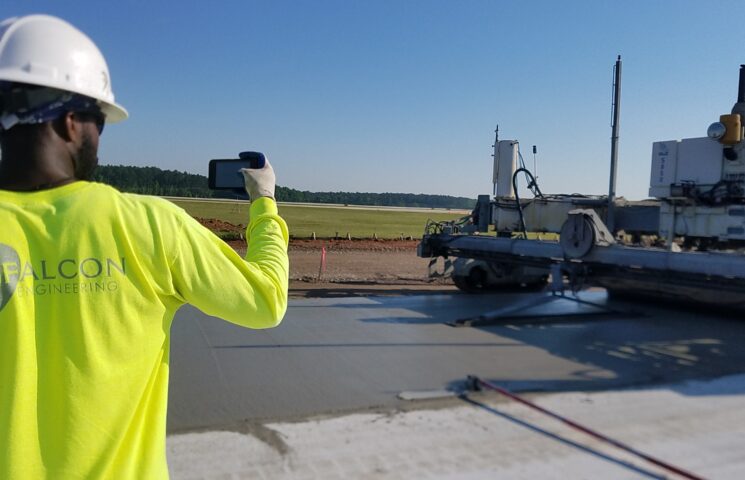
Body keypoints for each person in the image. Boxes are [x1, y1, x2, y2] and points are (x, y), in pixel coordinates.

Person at [0, 14, 289, 479]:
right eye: (100, 121)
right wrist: (265, 205)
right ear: (72, 122)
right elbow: (265, 302)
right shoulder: (149, 226)